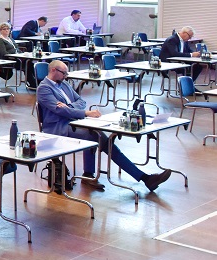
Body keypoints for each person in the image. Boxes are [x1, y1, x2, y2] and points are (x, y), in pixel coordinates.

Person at [38, 61, 171, 192]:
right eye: (64, 73)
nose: (66, 76)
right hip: (58, 127)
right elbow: (60, 111)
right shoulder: (44, 88)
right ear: (53, 70)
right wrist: (84, 113)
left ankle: (92, 175)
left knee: (99, 137)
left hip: (75, 121)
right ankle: (144, 178)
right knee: (95, 136)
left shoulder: (64, 84)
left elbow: (81, 101)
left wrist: (69, 107)